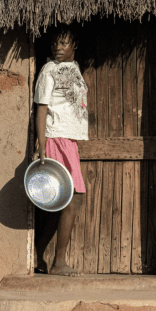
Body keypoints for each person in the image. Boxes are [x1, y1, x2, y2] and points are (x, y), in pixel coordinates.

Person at [33, 27, 88, 276]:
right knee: (70, 198)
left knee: (61, 200)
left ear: (74, 44)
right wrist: (41, 142)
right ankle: (58, 262)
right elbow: (41, 108)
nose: (58, 47)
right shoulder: (49, 70)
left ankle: (39, 256)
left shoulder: (75, 69)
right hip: (55, 138)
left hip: (69, 140)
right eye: (55, 43)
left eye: (64, 42)